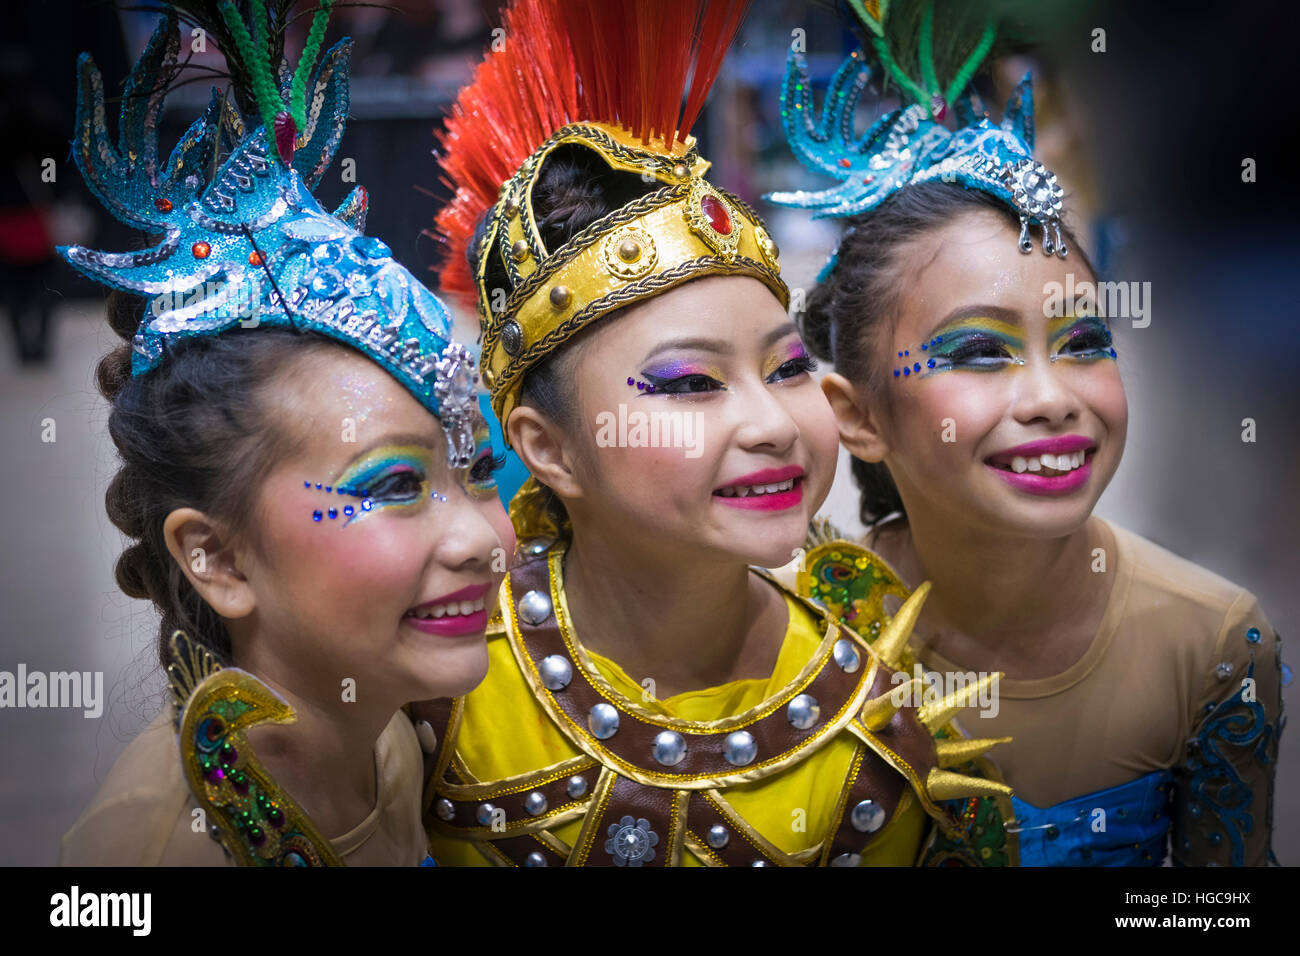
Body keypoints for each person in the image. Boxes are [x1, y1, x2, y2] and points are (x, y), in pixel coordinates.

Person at [413, 0, 1006, 868]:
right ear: (548, 449)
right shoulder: (440, 695)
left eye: (787, 368)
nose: (771, 425)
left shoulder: (888, 704)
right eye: (691, 384)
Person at [768, 0, 1285, 865]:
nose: (1052, 398)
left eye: (1084, 342)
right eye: (978, 352)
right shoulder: (787, 634)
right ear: (856, 416)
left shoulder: (1216, 644)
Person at [57, 4, 512, 866]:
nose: (483, 539)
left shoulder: (389, 738)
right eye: (393, 487)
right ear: (218, 559)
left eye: (478, 468)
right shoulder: (151, 849)